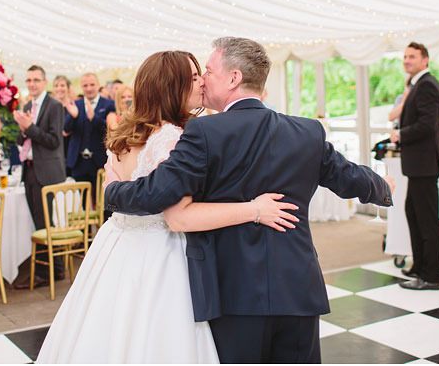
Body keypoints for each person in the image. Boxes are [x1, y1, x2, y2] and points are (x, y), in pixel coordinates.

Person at [104, 37, 393, 364]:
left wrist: (112, 190)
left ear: (233, 78)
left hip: (234, 294)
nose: (202, 80)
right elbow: (348, 176)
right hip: (298, 290)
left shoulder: (203, 133)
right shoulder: (306, 131)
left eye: (209, 71)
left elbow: (155, 193)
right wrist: (383, 187)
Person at [35, 50, 299, 364]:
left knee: (107, 331)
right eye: (192, 77)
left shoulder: (123, 134)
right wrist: (254, 209)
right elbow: (178, 217)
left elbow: (111, 191)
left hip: (116, 246)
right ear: (170, 87)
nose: (201, 82)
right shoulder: (177, 138)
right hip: (162, 253)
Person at [389, 42, 439, 290]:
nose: (406, 60)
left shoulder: (427, 86)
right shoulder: (417, 85)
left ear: (425, 60)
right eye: (404, 56)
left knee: (427, 219)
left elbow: (426, 125)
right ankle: (420, 266)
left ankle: (431, 275)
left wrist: (400, 134)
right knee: (414, 214)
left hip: (424, 165)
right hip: (417, 166)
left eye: (412, 56)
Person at [16, 65, 65, 283]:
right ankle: (54, 268)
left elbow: (54, 140)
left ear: (45, 82)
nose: (32, 84)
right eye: (28, 80)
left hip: (47, 171)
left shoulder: (54, 105)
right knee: (39, 221)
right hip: (29, 169)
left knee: (46, 222)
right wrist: (22, 127)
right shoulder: (28, 105)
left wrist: (30, 127)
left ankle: (49, 272)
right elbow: (22, 139)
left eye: (36, 80)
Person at [63, 73, 115, 187]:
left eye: (92, 84)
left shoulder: (109, 104)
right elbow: (66, 129)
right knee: (83, 201)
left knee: (100, 201)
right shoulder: (75, 104)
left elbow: (111, 131)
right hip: (79, 161)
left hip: (100, 161)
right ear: (81, 87)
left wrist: (94, 119)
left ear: (98, 85)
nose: (89, 88)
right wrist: (73, 116)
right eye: (85, 85)